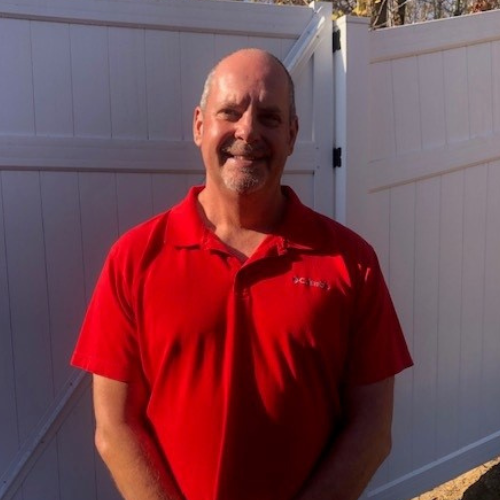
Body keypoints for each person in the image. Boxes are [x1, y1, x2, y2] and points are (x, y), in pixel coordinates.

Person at [71, 48, 413, 500]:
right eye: (230, 112)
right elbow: (114, 428)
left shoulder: (351, 263)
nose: (248, 131)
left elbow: (372, 430)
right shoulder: (134, 259)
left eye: (270, 118)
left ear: (292, 135)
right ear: (199, 125)